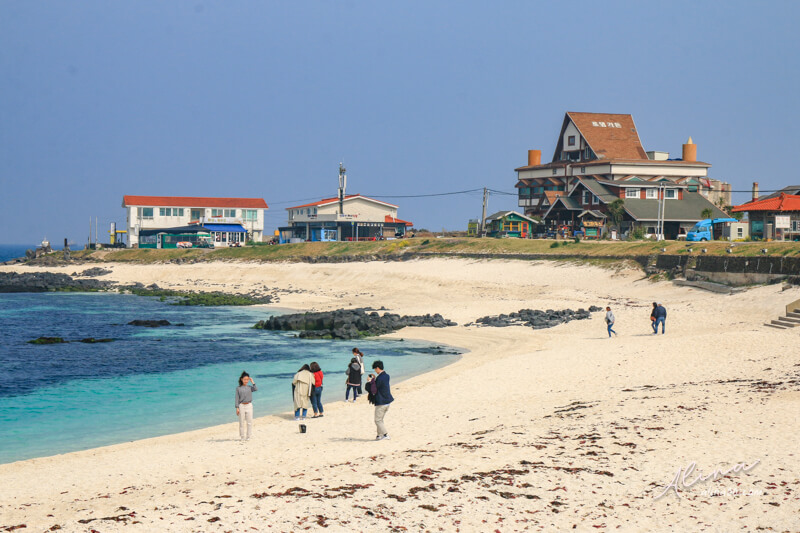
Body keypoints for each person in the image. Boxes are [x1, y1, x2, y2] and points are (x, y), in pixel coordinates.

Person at [371, 360, 394, 440]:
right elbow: (380, 385)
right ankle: (379, 435)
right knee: (380, 419)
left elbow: (374, 389)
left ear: (377, 368)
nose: (375, 370)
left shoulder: (380, 378)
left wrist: (370, 381)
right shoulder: (386, 375)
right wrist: (375, 379)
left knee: (377, 420)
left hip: (381, 402)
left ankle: (385, 434)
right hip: (387, 401)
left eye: (375, 369)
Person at [235, 371, 257, 441]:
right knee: (241, 422)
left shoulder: (250, 387)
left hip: (249, 405)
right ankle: (242, 437)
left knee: (249, 422)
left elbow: (256, 389)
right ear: (241, 379)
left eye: (247, 379)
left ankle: (248, 436)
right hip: (241, 406)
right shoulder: (238, 388)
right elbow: (237, 398)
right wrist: (237, 408)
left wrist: (252, 382)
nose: (246, 381)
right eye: (245, 379)